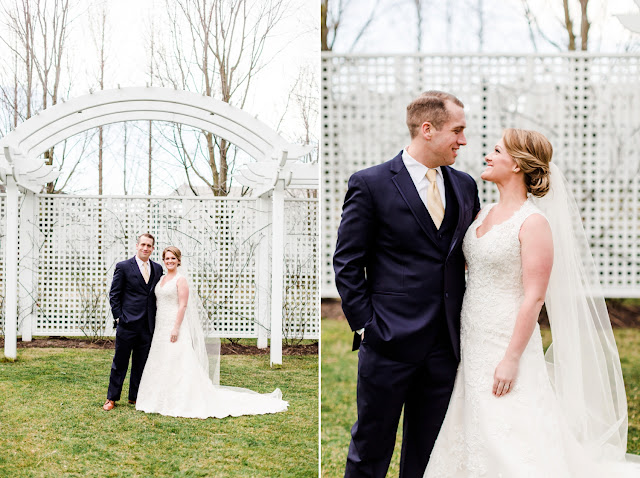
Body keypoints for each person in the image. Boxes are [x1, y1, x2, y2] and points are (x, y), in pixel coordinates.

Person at [424, 129, 640, 477]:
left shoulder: (533, 222)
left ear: (517, 165)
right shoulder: (482, 214)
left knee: (511, 424)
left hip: (508, 339)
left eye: (496, 151)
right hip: (473, 335)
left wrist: (511, 359)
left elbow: (534, 296)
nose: (487, 156)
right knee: (477, 416)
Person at [333, 91, 481, 478]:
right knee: (371, 447)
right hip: (387, 341)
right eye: (458, 130)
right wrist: (367, 325)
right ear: (427, 129)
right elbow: (347, 262)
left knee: (430, 452)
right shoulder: (371, 183)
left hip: (446, 345)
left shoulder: (466, 186)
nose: (463, 140)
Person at [135, 246, 288, 419]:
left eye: (173, 258)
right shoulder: (161, 278)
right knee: (160, 360)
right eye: (167, 258)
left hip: (174, 325)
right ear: (164, 260)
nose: (170, 261)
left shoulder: (180, 279)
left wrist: (176, 328)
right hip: (160, 326)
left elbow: (183, 305)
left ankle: (182, 399)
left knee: (177, 359)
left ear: (178, 260)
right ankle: (157, 398)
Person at [103, 233, 163, 411]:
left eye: (149, 246)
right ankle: (112, 398)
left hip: (147, 325)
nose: (145, 248)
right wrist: (119, 316)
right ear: (137, 246)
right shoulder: (123, 267)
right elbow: (114, 294)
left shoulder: (158, 269)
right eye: (143, 244)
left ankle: (135, 397)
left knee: (141, 363)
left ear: (153, 248)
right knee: (120, 362)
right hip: (127, 324)